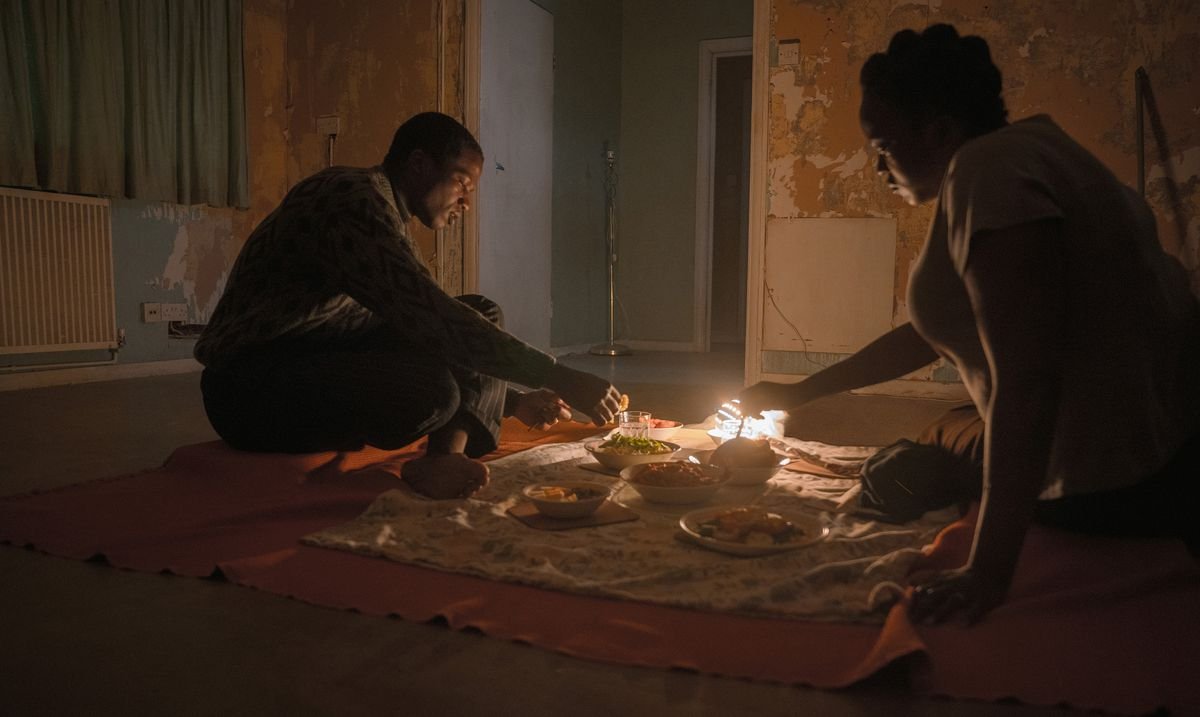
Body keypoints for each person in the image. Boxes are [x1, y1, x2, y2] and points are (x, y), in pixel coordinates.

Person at [738, 25, 1200, 624]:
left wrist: (987, 572)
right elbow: (931, 333)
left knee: (904, 470)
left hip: (1103, 488)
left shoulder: (991, 173)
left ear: (938, 129)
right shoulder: (1034, 153)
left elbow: (1028, 381)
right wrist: (802, 390)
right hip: (1153, 456)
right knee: (932, 441)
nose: (879, 167)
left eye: (883, 145)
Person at [195, 112, 622, 500]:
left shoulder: (382, 205)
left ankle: (441, 458)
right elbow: (435, 321)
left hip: (320, 355)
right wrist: (561, 375)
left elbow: (429, 322)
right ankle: (441, 449)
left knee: (481, 312)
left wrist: (512, 401)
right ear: (419, 165)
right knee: (431, 394)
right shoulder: (350, 199)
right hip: (248, 389)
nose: (466, 203)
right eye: (462, 183)